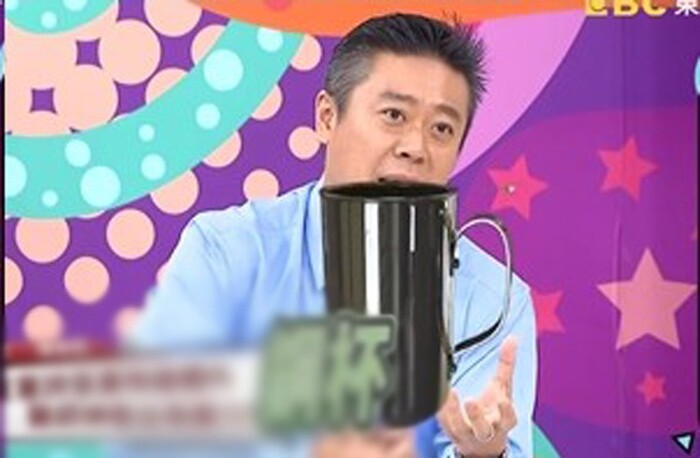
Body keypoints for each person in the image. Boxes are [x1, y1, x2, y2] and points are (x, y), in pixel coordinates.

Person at [130, 13, 537, 458]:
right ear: (327, 117)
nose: (415, 148)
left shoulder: (492, 297)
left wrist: (482, 453)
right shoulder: (226, 252)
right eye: (393, 115)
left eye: (441, 128)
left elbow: (482, 434)